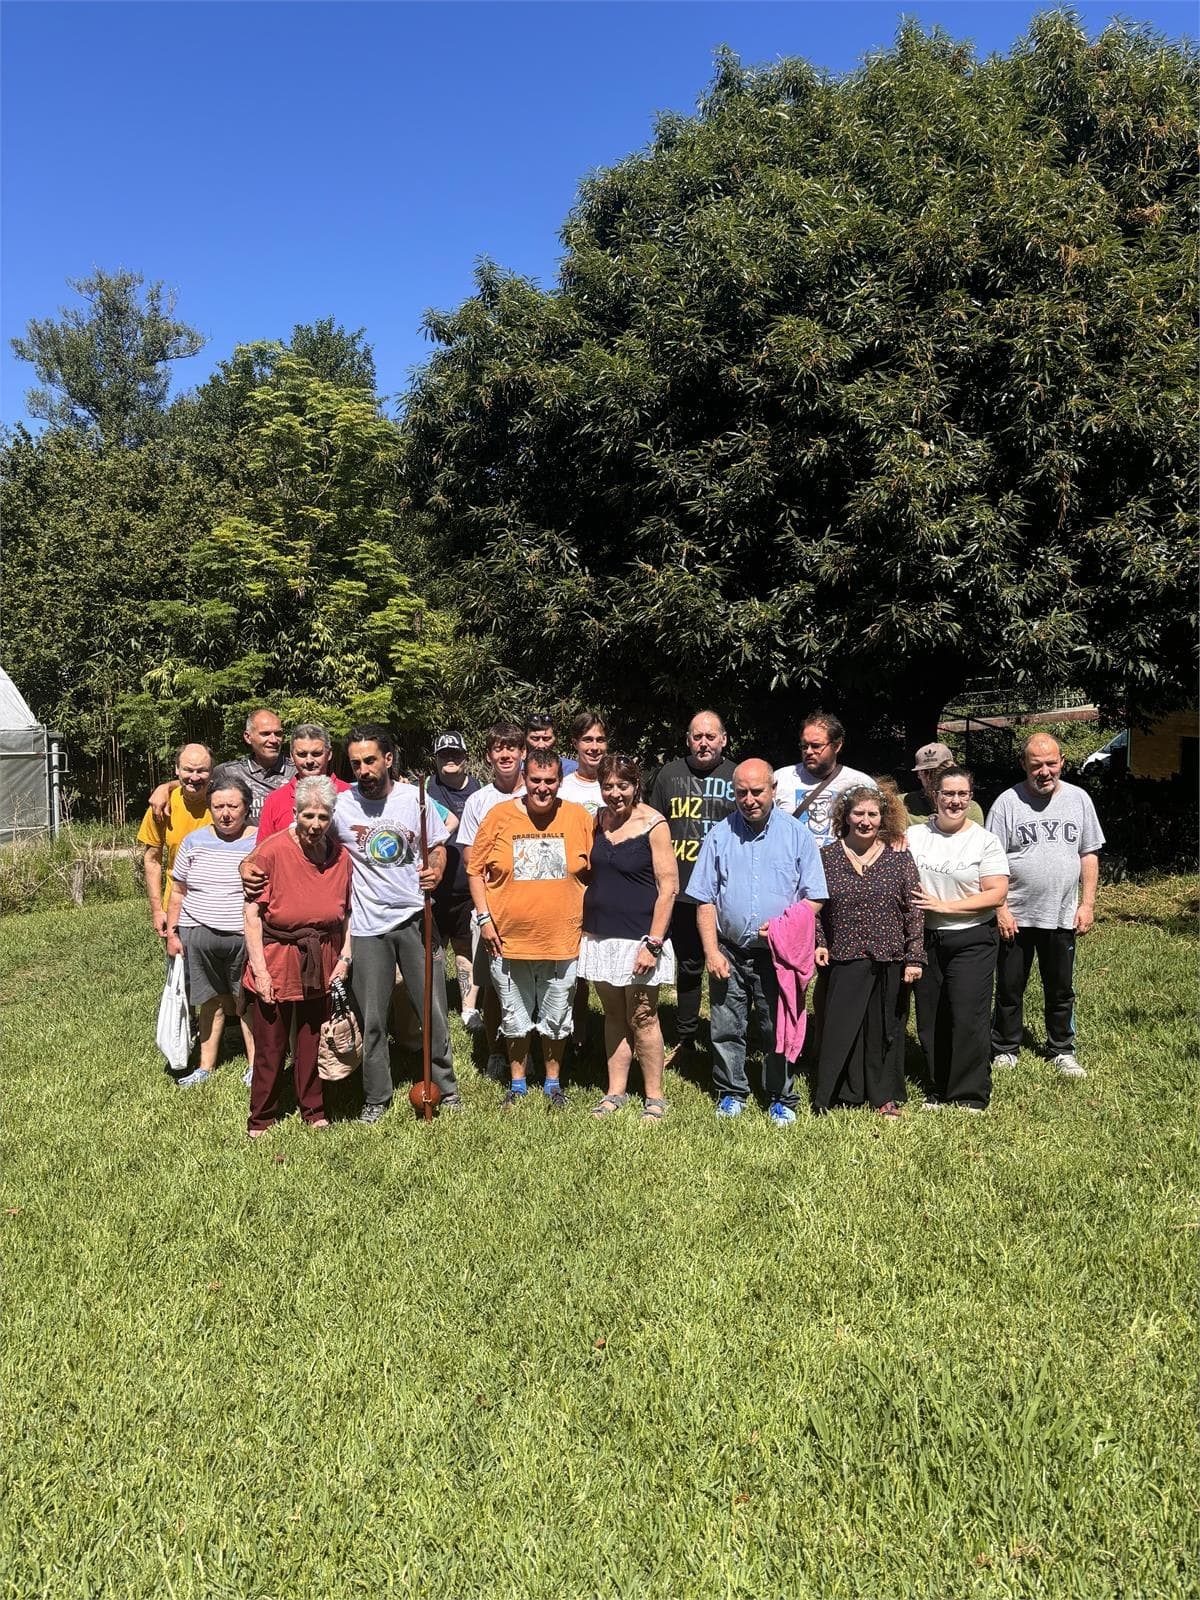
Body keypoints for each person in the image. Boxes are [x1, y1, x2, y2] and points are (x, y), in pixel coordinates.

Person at [335, 725, 462, 1122]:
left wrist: (436, 870)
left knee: (433, 1010)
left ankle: (446, 1085)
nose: (363, 770)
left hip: (415, 916)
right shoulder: (341, 804)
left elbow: (439, 845)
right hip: (368, 924)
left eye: (370, 760)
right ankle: (376, 1096)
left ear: (388, 759)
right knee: (372, 1017)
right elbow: (297, 834)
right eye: (356, 763)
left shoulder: (416, 799)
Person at [690, 759, 827, 1125]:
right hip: (729, 951)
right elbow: (704, 899)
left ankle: (782, 1096)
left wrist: (785, 925)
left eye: (757, 791)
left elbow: (815, 896)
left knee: (776, 1028)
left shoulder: (797, 836)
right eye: (741, 793)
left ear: (773, 791)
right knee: (725, 1026)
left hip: (778, 955)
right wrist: (711, 951)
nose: (749, 799)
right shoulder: (719, 835)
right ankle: (731, 1092)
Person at [466, 748, 592, 1111]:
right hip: (507, 940)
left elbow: (592, 868)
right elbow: (475, 869)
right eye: (535, 780)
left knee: (557, 1015)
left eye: (549, 781)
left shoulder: (578, 817)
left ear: (559, 781)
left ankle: (553, 1082)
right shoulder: (499, 816)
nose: (542, 788)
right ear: (524, 779)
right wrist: (484, 918)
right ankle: (517, 1082)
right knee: (513, 1014)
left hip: (561, 939)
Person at [987, 733, 1105, 1080]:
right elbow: (989, 861)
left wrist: (1087, 904)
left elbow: (1089, 853)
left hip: (1062, 912)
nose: (1044, 771)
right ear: (1024, 764)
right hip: (1017, 914)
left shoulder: (1079, 800)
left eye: (1051, 763)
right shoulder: (1007, 803)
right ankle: (1005, 1048)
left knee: (1060, 988)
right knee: (1009, 987)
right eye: (1036, 764)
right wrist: (1001, 908)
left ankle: (1062, 1049)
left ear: (1062, 762)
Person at [243, 775, 353, 1137]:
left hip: (322, 956)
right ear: (295, 813)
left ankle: (314, 1108)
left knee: (313, 1038)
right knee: (271, 1044)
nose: (315, 824)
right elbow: (252, 914)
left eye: (323, 816)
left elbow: (350, 913)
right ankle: (262, 1116)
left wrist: (344, 958)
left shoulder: (341, 857)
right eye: (308, 816)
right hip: (277, 956)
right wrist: (259, 970)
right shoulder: (272, 851)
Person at [812, 786, 924, 1117]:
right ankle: (836, 1094)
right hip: (844, 953)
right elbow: (815, 904)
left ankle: (883, 1095)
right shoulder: (828, 858)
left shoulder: (899, 857)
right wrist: (819, 941)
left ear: (882, 818)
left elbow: (914, 908)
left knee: (885, 1028)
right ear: (845, 816)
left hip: (889, 954)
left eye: (872, 814)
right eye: (858, 813)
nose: (865, 820)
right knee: (840, 1026)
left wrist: (914, 955)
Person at [579, 754, 679, 1123]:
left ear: (636, 786)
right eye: (608, 786)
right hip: (600, 936)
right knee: (614, 1015)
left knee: (643, 1016)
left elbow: (668, 888)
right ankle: (615, 1092)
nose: (615, 794)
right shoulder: (597, 821)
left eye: (623, 785)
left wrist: (653, 943)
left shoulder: (654, 824)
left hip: (639, 940)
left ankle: (654, 1097)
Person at [907, 767, 1009, 1112]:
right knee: (930, 1016)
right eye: (948, 794)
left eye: (962, 794)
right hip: (925, 938)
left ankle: (969, 1094)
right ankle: (937, 1088)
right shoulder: (915, 835)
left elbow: (996, 893)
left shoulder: (984, 840)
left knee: (968, 1014)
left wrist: (945, 906)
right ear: (934, 796)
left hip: (972, 937)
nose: (955, 801)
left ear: (970, 797)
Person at [644, 710, 736, 1069]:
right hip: (678, 891)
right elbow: (654, 827)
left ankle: (727, 1036)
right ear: (687, 740)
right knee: (689, 966)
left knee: (723, 966)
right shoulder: (669, 775)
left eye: (711, 736)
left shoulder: (735, 776)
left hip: (722, 893)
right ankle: (686, 1039)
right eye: (697, 736)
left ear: (723, 740)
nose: (704, 743)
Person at [165, 774, 259, 1089]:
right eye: (218, 806)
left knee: (245, 1001)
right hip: (198, 933)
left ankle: (255, 1066)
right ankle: (205, 1066)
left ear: (246, 807)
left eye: (233, 805)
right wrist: (173, 933)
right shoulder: (194, 840)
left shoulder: (260, 840)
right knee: (211, 1002)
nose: (225, 813)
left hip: (244, 937)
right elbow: (178, 891)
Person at [457, 721, 528, 1078]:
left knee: (533, 980)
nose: (505, 755)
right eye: (498, 749)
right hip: (490, 905)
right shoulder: (479, 801)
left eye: (512, 748)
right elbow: (470, 858)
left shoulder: (537, 794)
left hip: (533, 905)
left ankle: (531, 1049)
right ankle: (495, 1052)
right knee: (492, 984)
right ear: (488, 756)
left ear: (523, 753)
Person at [148, 708, 297, 828]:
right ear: (247, 737)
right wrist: (165, 788)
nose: (273, 740)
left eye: (278, 734)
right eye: (265, 734)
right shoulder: (229, 771)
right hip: (243, 856)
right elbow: (197, 782)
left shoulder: (296, 771)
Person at [426, 731, 484, 1030]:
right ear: (435, 759)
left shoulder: (480, 791)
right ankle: (434, 1011)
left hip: (467, 888)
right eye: (444, 754)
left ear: (466, 757)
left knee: (466, 950)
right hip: (433, 888)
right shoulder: (424, 789)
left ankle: (468, 1010)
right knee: (432, 953)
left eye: (455, 754)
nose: (450, 759)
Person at [137, 742, 214, 942]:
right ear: (177, 769)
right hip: (177, 906)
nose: (194, 777)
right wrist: (156, 910)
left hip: (219, 907)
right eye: (188, 769)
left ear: (212, 772)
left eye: (202, 771)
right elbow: (152, 860)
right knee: (180, 971)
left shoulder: (223, 804)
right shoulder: (161, 807)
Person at [773, 711, 875, 847]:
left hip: (840, 866)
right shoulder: (781, 779)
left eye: (816, 746)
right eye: (804, 746)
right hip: (790, 865)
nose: (808, 752)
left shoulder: (860, 783)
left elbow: (881, 827)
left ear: (837, 746)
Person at [256, 723, 351, 838]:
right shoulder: (275, 800)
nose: (309, 760)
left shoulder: (350, 795)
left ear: (329, 754)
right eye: (302, 754)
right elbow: (264, 851)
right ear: (292, 756)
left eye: (316, 754)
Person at [902, 743, 984, 827]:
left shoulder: (968, 808)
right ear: (918, 774)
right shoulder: (903, 803)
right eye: (925, 772)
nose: (930, 778)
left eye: (937, 771)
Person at [558, 711, 607, 815]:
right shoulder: (561, 789)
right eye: (588, 740)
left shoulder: (618, 789)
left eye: (600, 740)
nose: (594, 747)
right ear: (575, 743)